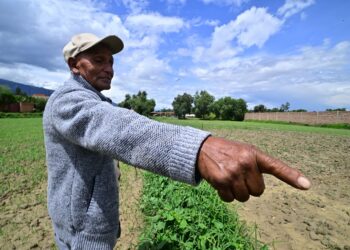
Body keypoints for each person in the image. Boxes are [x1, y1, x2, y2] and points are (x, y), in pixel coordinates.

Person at [43, 33, 311, 250]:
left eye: (111, 62)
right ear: (74, 65)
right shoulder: (67, 100)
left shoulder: (96, 99)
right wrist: (198, 149)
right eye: (99, 60)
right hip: (81, 234)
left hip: (94, 224)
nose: (109, 69)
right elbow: (114, 126)